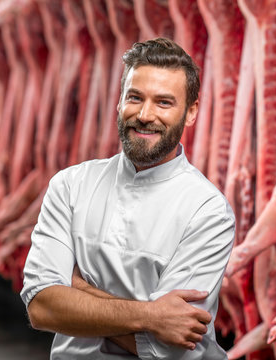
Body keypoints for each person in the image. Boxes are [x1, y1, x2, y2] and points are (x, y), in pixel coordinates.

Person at [20, 37, 235, 359]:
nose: (146, 114)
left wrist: (76, 291)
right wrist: (152, 316)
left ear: (190, 113)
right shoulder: (70, 185)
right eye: (135, 97)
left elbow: (170, 346)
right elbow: (42, 308)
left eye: (164, 103)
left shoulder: (207, 210)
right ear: (119, 102)